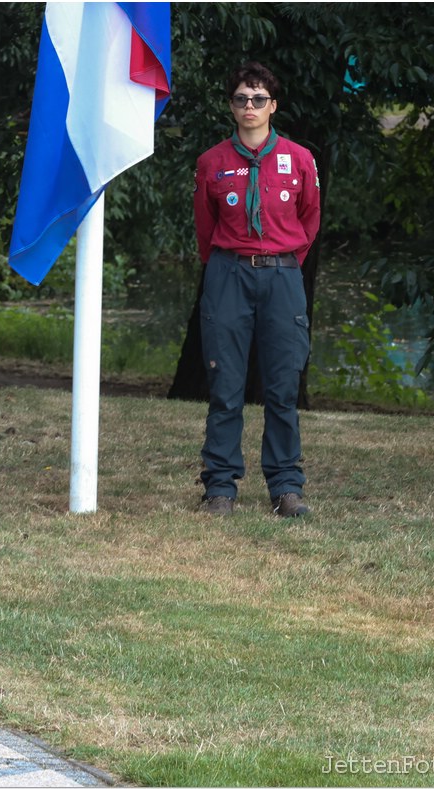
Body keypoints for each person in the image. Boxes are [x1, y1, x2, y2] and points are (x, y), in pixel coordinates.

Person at [193, 61, 321, 517]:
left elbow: (309, 219)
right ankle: (220, 487)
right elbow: (205, 228)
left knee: (283, 386)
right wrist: (234, 263)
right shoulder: (212, 162)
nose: (251, 107)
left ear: (273, 106)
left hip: (283, 275)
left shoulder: (299, 158)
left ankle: (286, 488)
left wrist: (281, 262)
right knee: (226, 386)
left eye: (259, 99)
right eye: (242, 99)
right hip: (228, 274)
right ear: (232, 106)